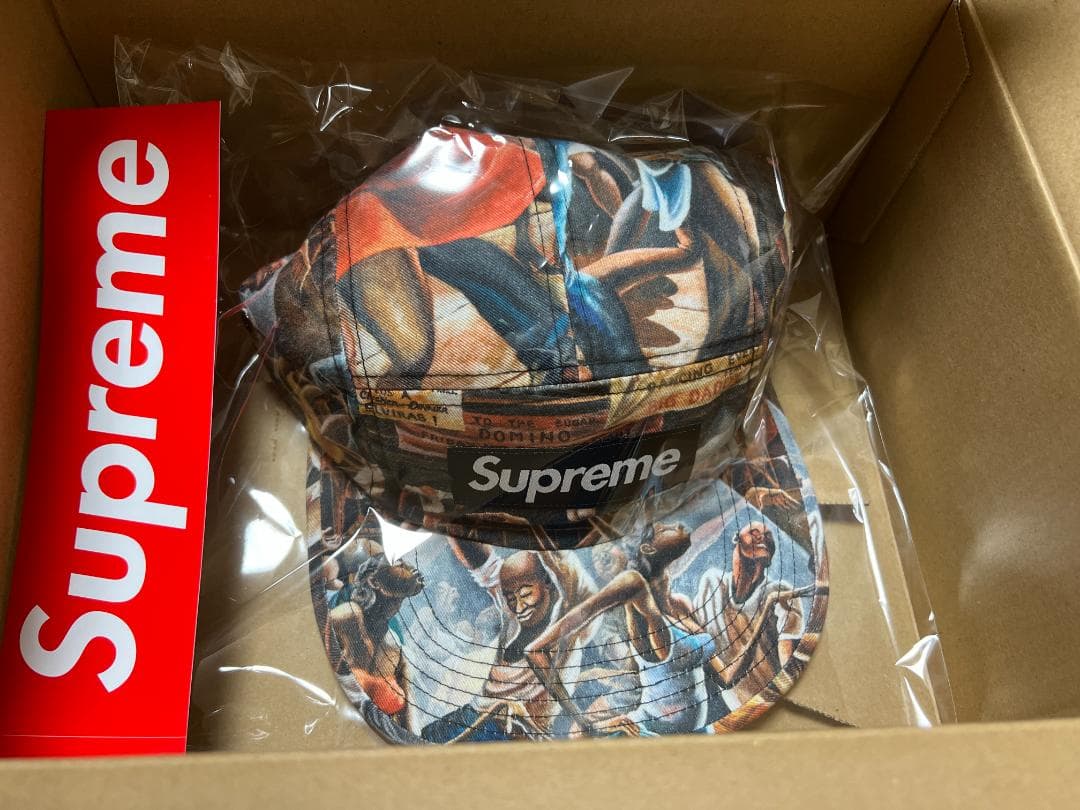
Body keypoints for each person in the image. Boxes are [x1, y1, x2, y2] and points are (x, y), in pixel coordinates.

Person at [524, 522, 718, 737]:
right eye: (663, 529)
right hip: (651, 735)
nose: (674, 524)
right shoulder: (633, 583)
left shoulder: (670, 590)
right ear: (647, 548)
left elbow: (703, 538)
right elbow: (535, 650)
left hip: (702, 733)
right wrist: (587, 722)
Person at [419, 533, 598, 742]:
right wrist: (448, 523)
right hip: (475, 717)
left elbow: (568, 571)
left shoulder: (570, 618)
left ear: (547, 582)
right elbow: (481, 562)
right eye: (512, 599)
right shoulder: (510, 606)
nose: (519, 607)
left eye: (526, 594)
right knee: (424, 737)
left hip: (517, 733)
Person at [695, 521, 808, 713]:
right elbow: (717, 669)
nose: (762, 537)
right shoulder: (711, 584)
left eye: (768, 536)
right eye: (754, 532)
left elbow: (787, 661)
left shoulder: (780, 592)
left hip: (778, 701)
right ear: (736, 540)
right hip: (740, 709)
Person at [326, 552, 425, 728]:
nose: (396, 605)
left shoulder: (393, 643)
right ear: (373, 583)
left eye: (400, 599)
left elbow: (407, 712)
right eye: (392, 596)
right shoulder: (348, 613)